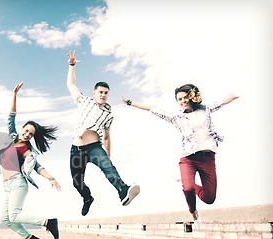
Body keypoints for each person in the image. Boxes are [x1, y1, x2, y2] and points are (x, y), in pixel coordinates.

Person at [120, 84, 239, 224]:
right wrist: (129, 102)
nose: (183, 101)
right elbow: (151, 108)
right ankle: (193, 212)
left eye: (185, 97)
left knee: (209, 199)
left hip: (208, 159)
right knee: (188, 188)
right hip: (189, 158)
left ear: (191, 96)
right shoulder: (176, 116)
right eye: (179, 99)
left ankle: (183, 180)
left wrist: (233, 95)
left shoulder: (205, 109)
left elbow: (222, 101)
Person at [66, 50, 140, 216]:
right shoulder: (84, 101)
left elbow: (106, 136)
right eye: (100, 92)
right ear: (94, 93)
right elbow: (71, 86)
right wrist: (71, 66)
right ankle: (87, 198)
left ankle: (123, 191)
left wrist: (107, 156)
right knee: (77, 183)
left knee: (109, 169)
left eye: (106, 93)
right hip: (76, 150)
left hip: (94, 147)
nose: (103, 95)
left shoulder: (109, 114)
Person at [0, 82, 61, 239]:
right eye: (26, 131)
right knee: (4, 218)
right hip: (6, 185)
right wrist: (15, 95)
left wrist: (51, 178)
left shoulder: (27, 150)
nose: (27, 135)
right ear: (22, 129)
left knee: (15, 215)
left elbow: (37, 167)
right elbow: (11, 117)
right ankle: (30, 238)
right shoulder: (11, 137)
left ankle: (49, 222)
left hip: (18, 183)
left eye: (31, 134)